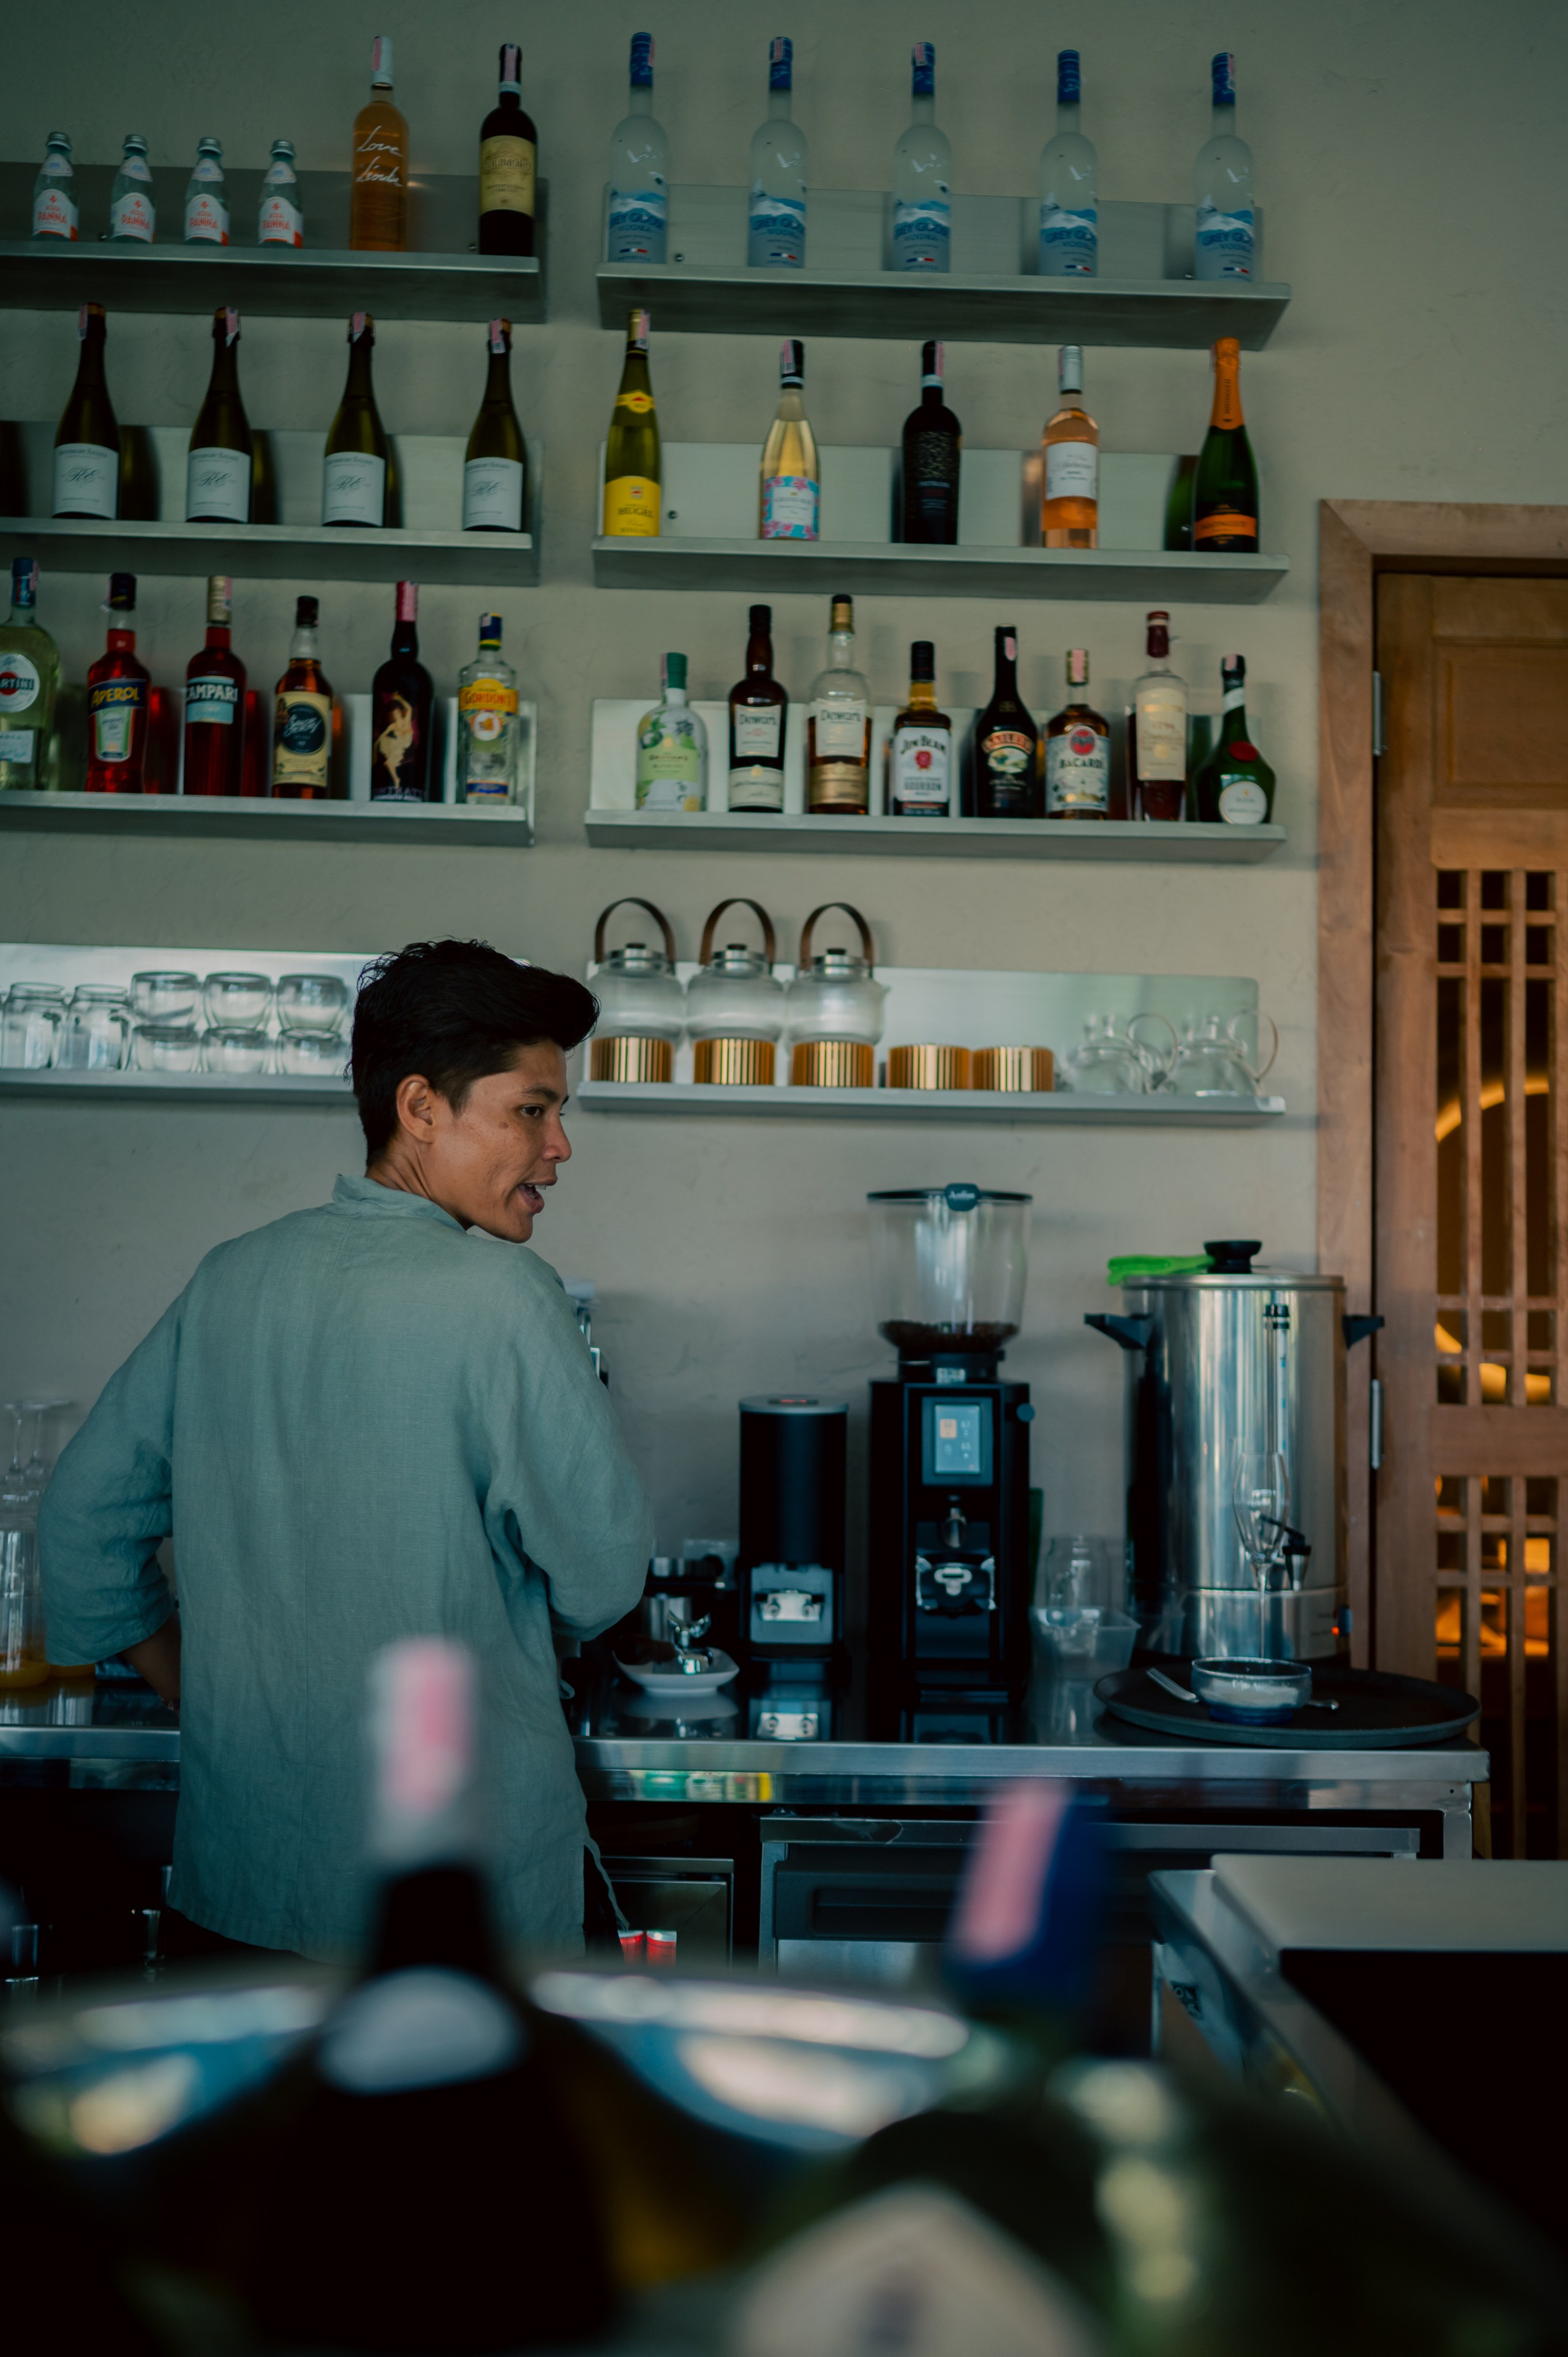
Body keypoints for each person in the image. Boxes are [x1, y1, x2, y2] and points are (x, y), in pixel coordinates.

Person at [39, 940, 652, 1960]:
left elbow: (81, 1529)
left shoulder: (232, 1277)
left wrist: (201, 1688)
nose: (559, 1148)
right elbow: (601, 1579)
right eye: (531, 1111)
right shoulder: (503, 1296)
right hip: (454, 1912)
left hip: (237, 1890)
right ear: (420, 1108)